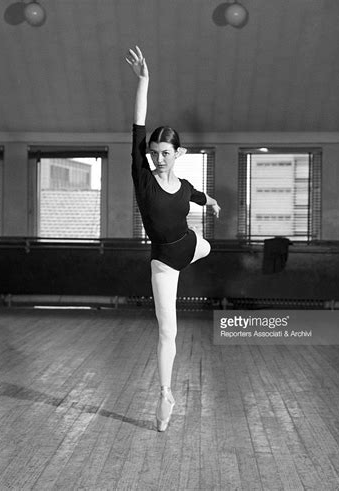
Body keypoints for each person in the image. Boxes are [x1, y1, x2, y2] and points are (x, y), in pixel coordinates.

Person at [126, 46, 221, 431]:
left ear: (178, 152)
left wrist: (210, 200)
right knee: (169, 331)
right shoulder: (144, 182)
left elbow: (195, 196)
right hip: (165, 264)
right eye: (154, 153)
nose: (159, 158)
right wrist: (144, 81)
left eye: (165, 152)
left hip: (190, 246)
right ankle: (165, 393)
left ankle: (201, 243)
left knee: (206, 245)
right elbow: (136, 128)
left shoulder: (183, 185)